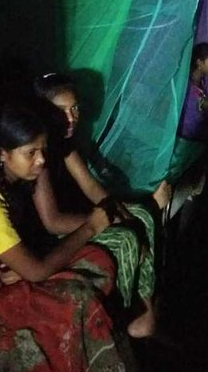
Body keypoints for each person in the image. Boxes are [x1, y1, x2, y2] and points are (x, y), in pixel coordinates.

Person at [0, 105, 125, 372]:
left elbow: (43, 235)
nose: (41, 160)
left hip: (17, 273)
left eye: (42, 150)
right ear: (3, 153)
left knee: (97, 259)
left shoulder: (16, 182)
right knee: (75, 297)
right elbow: (35, 271)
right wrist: (90, 228)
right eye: (30, 152)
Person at [32, 73, 172, 339]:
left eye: (74, 108)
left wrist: (124, 215)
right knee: (126, 237)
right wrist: (106, 221)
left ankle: (144, 306)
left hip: (75, 220)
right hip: (51, 236)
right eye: (62, 111)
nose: (71, 117)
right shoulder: (38, 153)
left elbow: (94, 189)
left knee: (141, 215)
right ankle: (116, 317)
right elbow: (51, 221)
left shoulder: (64, 144)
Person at [178, 42, 208, 140]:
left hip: (197, 132)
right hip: (186, 136)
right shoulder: (187, 84)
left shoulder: (201, 81)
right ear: (199, 62)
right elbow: (203, 103)